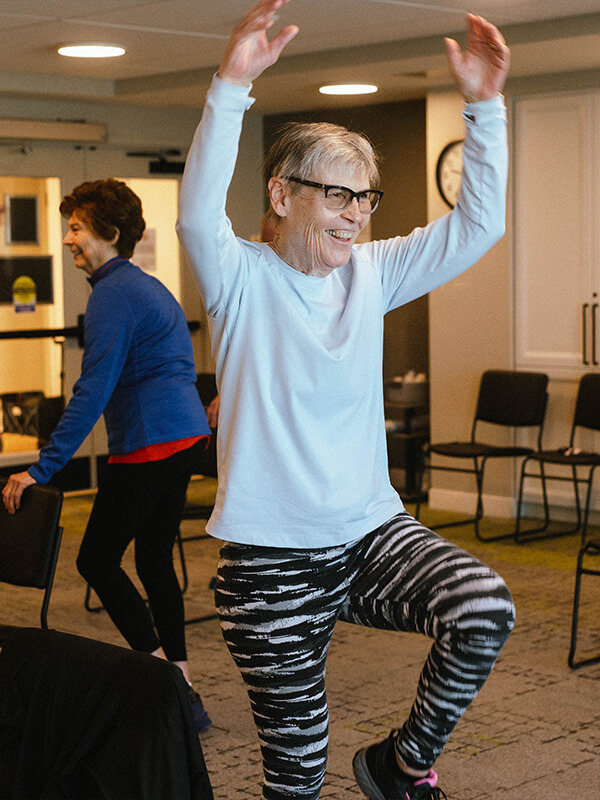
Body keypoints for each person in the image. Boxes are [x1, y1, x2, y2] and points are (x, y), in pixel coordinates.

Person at [177, 0, 514, 796]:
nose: (355, 217)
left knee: (483, 607)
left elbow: (481, 225)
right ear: (283, 194)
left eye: (365, 200)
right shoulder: (239, 280)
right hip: (270, 564)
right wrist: (230, 85)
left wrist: (487, 106)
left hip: (370, 533)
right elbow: (197, 210)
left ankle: (398, 765)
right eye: (337, 196)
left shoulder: (374, 272)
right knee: (296, 774)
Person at [1, 178, 212, 732]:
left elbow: (92, 390)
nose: (68, 238)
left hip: (150, 444)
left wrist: (39, 469)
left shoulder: (113, 297)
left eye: (76, 227)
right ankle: (183, 685)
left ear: (110, 235)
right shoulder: (145, 287)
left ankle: (165, 678)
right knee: (151, 559)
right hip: (181, 438)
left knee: (94, 560)